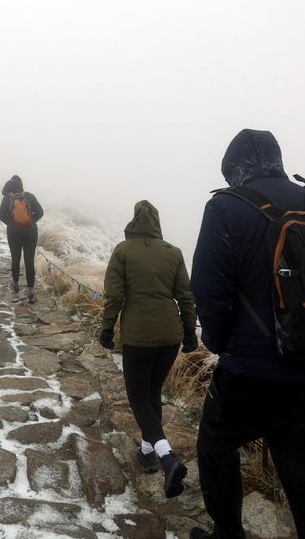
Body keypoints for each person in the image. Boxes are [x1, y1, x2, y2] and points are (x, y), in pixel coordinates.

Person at [189, 129, 305, 539]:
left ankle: (227, 533)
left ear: (233, 171)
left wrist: (221, 345)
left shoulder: (225, 208)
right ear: (278, 161)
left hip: (254, 378)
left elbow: (208, 288)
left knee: (215, 446)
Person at [99, 200, 198, 498]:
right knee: (152, 392)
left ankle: (167, 457)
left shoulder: (123, 251)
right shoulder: (173, 252)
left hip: (138, 336)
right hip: (170, 336)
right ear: (156, 223)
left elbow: (114, 296)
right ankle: (147, 453)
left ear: (134, 222)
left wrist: (106, 329)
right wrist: (190, 332)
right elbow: (185, 296)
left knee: (138, 398)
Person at [0, 175, 44, 303]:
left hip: (14, 233)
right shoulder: (29, 196)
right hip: (30, 232)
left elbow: (1, 216)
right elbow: (40, 212)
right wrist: (30, 221)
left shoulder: (7, 198)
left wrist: (12, 223)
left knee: (15, 258)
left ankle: (16, 284)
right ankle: (30, 290)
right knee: (29, 261)